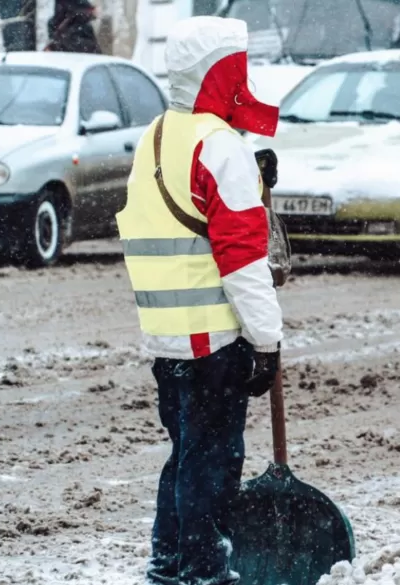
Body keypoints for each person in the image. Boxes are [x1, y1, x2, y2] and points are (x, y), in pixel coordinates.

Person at [114, 16, 284, 585]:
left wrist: (251, 179)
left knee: (186, 455)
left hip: (167, 338)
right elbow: (242, 260)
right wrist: (267, 340)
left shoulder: (156, 137)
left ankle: (168, 562)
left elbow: (181, 219)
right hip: (214, 338)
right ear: (221, 72)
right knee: (212, 464)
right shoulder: (220, 147)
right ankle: (204, 571)